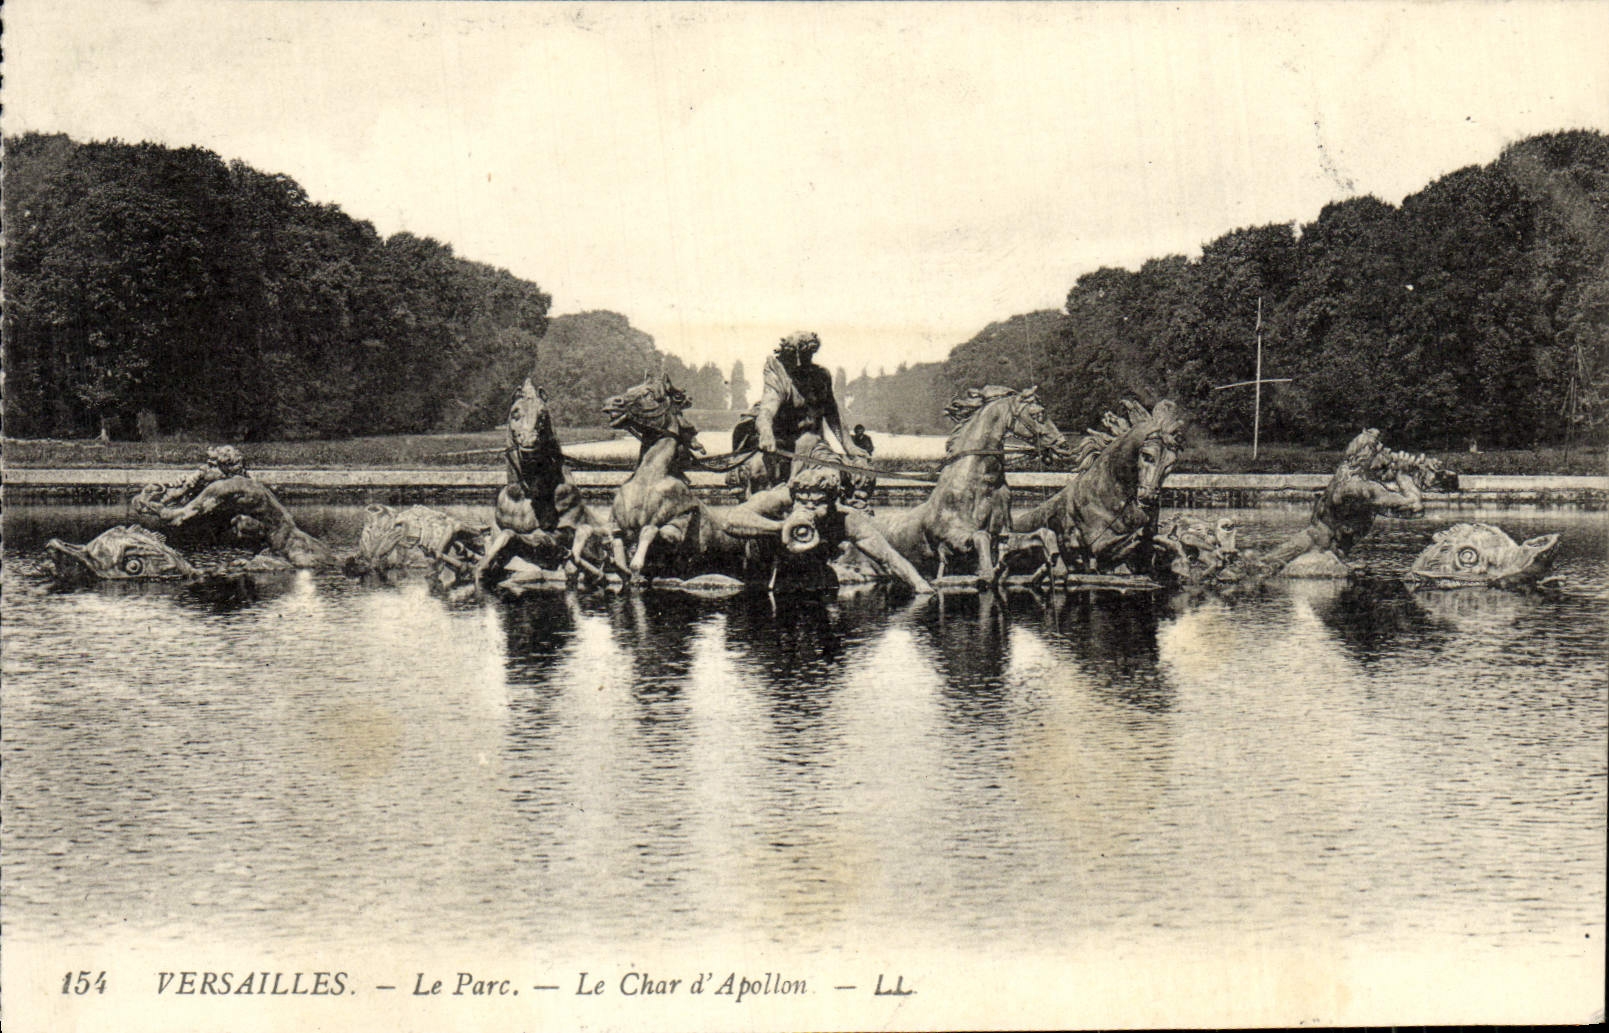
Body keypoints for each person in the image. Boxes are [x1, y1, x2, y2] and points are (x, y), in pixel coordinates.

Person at [736, 331, 866, 489]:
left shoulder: (821, 376)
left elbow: (833, 414)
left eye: (804, 356)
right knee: (757, 471)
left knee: (829, 470)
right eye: (793, 356)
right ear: (785, 354)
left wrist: (849, 445)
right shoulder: (778, 373)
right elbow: (766, 411)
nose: (798, 363)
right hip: (779, 441)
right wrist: (766, 433)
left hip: (811, 442)